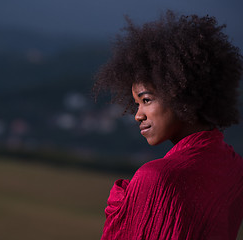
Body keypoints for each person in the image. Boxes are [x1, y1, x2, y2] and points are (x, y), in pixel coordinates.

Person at [93, 10, 243, 240]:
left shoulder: (156, 178)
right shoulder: (235, 168)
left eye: (146, 100)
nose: (137, 115)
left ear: (181, 93)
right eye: (135, 104)